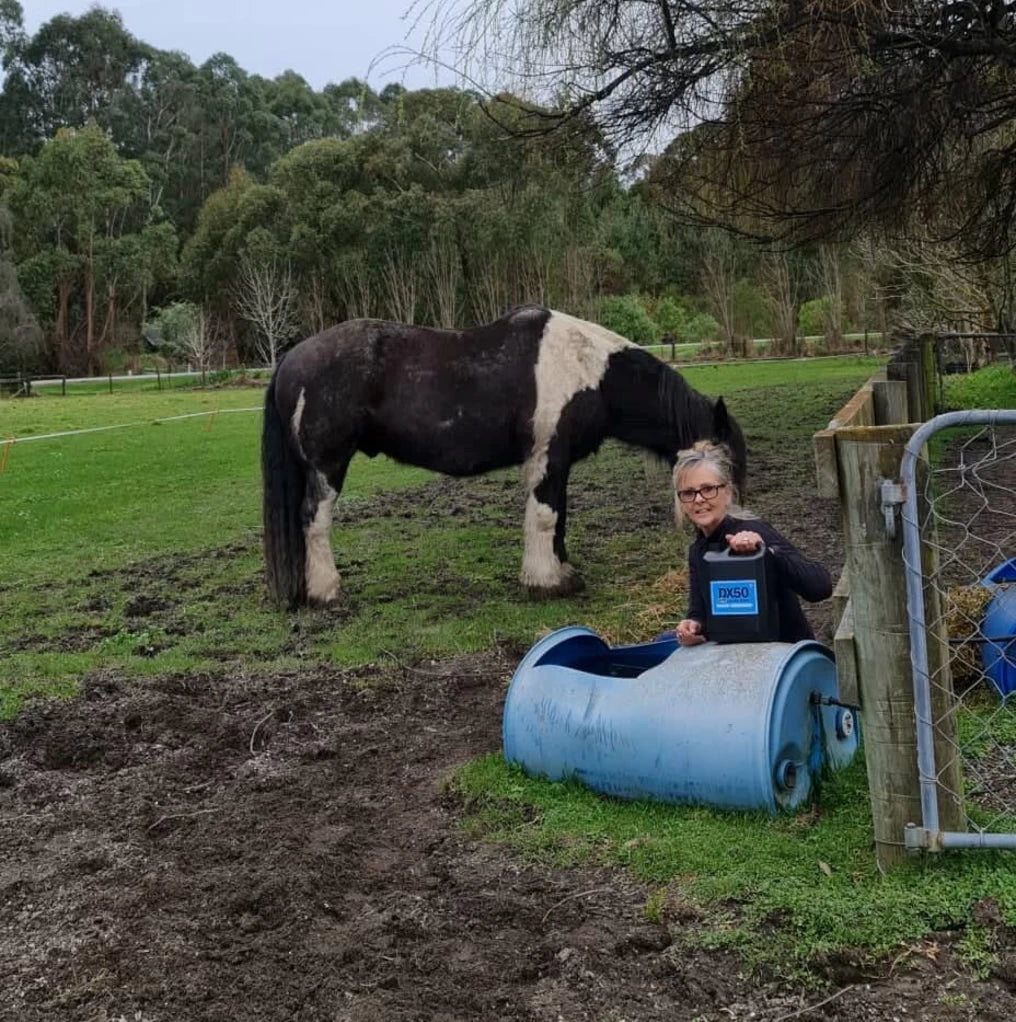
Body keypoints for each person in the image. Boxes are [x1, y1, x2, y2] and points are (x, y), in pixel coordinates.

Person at [673, 440, 832, 646]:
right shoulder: (698, 551)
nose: (699, 499)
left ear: (728, 492)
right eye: (688, 493)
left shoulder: (754, 532)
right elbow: (699, 612)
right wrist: (692, 626)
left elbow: (820, 586)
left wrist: (768, 553)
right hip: (731, 657)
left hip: (782, 659)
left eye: (708, 489)